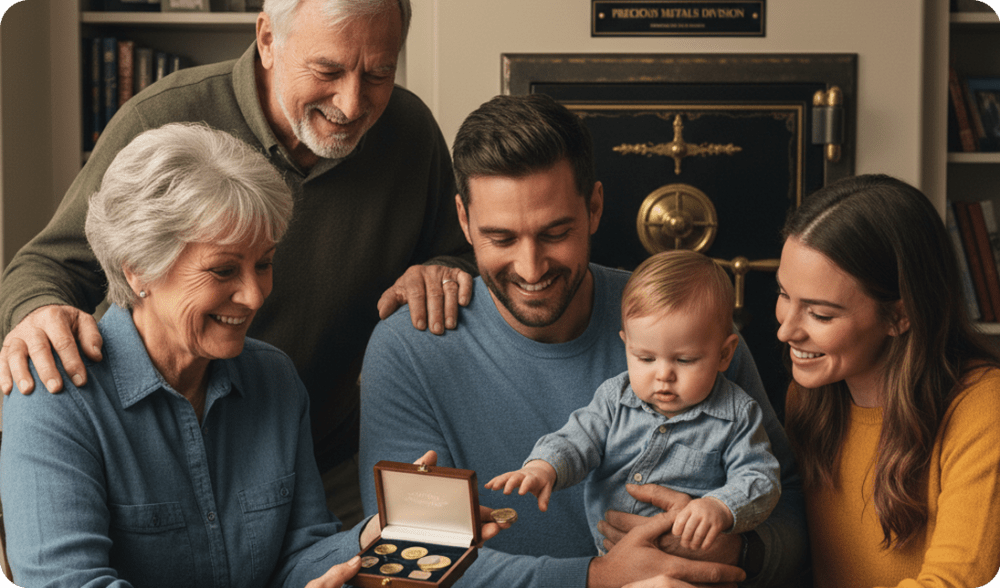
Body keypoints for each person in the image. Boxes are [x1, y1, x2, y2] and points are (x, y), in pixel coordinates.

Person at [0, 0, 474, 527]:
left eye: (379, 73)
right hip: (164, 455)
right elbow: (48, 263)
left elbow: (464, 250)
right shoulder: (161, 118)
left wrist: (442, 266)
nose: (353, 101)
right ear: (268, 40)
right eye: (328, 70)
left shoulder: (410, 132)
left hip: (325, 449)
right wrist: (37, 310)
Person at [0, 125, 503, 588]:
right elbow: (68, 582)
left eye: (263, 264)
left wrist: (381, 535)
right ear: (138, 271)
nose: (255, 295)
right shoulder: (55, 398)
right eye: (222, 271)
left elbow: (300, 554)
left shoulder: (274, 378)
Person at [359, 93, 807, 588]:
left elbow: (794, 520)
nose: (531, 269)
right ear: (464, 221)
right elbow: (407, 559)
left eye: (555, 233)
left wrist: (739, 547)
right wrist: (594, 578)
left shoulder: (688, 328)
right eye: (502, 239)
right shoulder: (410, 348)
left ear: (593, 207)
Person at [776, 174, 1000, 587]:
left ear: (900, 315)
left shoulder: (983, 406)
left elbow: (950, 581)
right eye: (784, 295)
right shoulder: (808, 396)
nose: (786, 331)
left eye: (820, 314)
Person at [486, 250, 781, 555]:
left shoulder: (737, 416)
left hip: (694, 565)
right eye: (645, 358)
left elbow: (760, 478)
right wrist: (544, 467)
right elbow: (576, 439)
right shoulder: (615, 399)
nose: (664, 374)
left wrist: (720, 507)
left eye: (685, 360)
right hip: (614, 559)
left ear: (724, 354)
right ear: (626, 344)